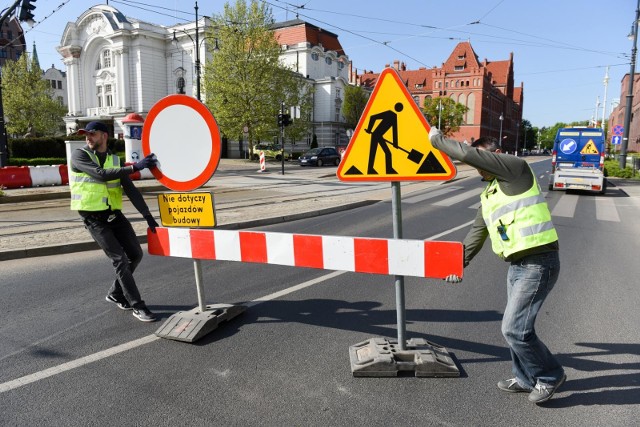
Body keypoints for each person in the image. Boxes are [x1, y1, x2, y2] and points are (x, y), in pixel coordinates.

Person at [429, 127, 565, 405]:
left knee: (514, 329)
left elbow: (468, 153)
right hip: (517, 265)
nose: (479, 169)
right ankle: (526, 378)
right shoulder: (490, 194)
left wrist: (437, 140)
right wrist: (457, 265)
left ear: (496, 156)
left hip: (539, 262)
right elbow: (477, 234)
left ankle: (551, 375)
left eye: (482, 162)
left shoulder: (516, 169)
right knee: (518, 328)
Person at [70, 121, 160, 323]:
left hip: (114, 215)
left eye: (92, 134)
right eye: (86, 135)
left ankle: (115, 293)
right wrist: (135, 167)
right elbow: (100, 176)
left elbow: (130, 190)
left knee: (135, 254)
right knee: (119, 259)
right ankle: (137, 305)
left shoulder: (114, 159)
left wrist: (148, 217)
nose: (88, 138)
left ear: (104, 135)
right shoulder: (80, 155)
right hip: (93, 218)